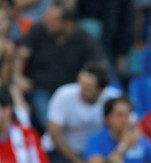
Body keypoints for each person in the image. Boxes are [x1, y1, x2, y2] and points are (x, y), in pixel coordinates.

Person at [14, 1, 104, 131]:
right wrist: (18, 77)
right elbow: (22, 54)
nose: (47, 23)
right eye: (47, 19)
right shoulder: (39, 30)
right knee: (49, 119)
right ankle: (53, 137)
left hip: (72, 92)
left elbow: (98, 64)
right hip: (41, 88)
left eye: (53, 21)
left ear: (68, 23)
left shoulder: (83, 39)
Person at [44, 60, 120, 163]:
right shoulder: (64, 96)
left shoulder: (112, 99)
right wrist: (77, 162)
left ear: (102, 90)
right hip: (61, 151)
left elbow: (131, 127)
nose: (82, 90)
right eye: (82, 85)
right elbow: (55, 134)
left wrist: (119, 150)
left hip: (94, 153)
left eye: (89, 88)